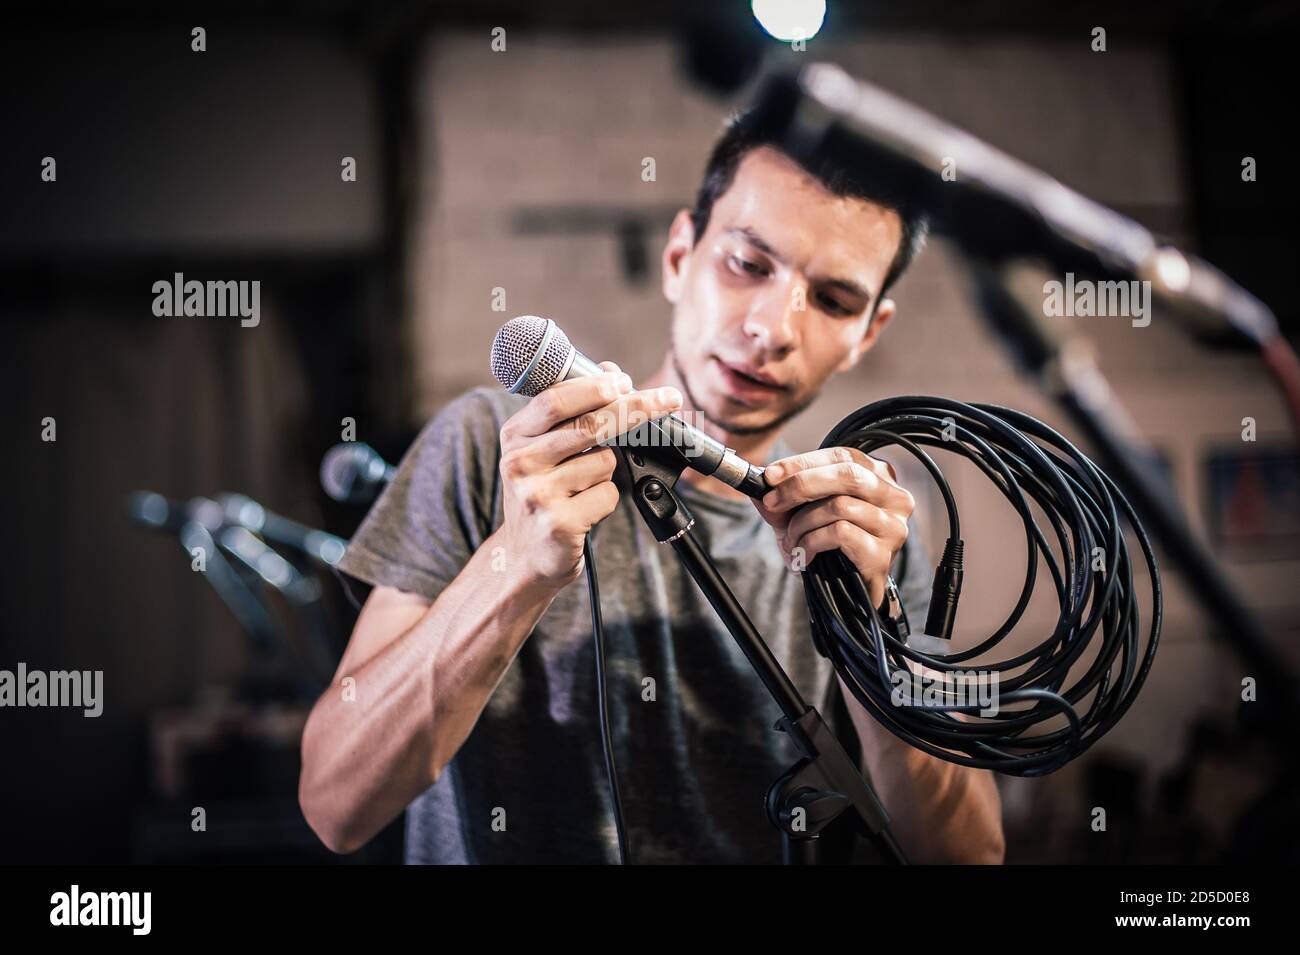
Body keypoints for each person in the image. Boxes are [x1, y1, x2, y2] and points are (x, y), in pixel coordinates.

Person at [299, 112, 1005, 864]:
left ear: (868, 331)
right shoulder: (495, 447)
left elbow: (968, 855)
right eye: (747, 263)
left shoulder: (872, 528)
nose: (773, 327)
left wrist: (874, 642)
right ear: (678, 256)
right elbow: (334, 801)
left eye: (832, 300)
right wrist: (515, 566)